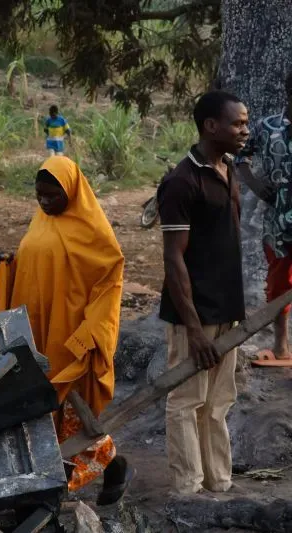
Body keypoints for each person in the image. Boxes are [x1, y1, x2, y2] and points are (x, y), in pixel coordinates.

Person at [0, 156, 131, 505]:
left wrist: (90, 335)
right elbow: (31, 265)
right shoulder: (40, 224)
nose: (45, 202)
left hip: (71, 339)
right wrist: (6, 267)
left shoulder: (94, 234)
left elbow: (108, 286)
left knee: (70, 410)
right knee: (40, 409)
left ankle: (95, 472)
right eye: (40, 195)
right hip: (36, 331)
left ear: (71, 191)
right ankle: (70, 481)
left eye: (52, 196)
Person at [158, 90, 248, 495]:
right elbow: (173, 261)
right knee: (186, 400)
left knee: (218, 402)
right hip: (191, 315)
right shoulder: (182, 181)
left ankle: (218, 482)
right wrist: (193, 329)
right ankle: (187, 488)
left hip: (227, 309)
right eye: (237, 123)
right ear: (211, 126)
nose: (244, 130)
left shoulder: (228, 168)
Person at [236, 72, 292, 362]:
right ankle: (281, 346)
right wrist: (256, 185)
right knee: (278, 285)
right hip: (278, 226)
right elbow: (240, 155)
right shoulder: (267, 127)